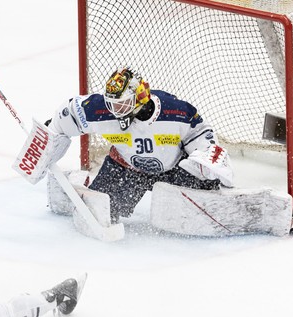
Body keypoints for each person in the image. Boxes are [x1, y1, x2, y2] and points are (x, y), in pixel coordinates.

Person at [42, 66, 233, 222]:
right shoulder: (101, 110)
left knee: (208, 189)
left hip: (172, 170)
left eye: (121, 105)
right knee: (101, 213)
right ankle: (82, 182)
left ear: (140, 97)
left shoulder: (175, 111)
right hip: (127, 170)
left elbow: (199, 132)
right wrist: (52, 130)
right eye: (111, 104)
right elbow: (71, 113)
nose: (115, 111)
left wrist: (206, 156)